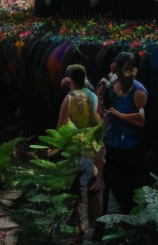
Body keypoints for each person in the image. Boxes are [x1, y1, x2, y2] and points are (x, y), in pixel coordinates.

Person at [58, 64, 102, 238]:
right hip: (94, 148)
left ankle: (82, 234)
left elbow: (60, 128)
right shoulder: (94, 96)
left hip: (77, 149)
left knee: (79, 193)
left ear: (70, 79)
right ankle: (95, 229)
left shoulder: (70, 98)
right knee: (93, 190)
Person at [102, 52, 147, 213]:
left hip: (129, 146)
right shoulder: (113, 85)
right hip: (111, 141)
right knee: (108, 181)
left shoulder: (138, 92)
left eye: (132, 69)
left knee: (128, 184)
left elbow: (141, 120)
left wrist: (119, 115)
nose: (129, 74)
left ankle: (128, 219)